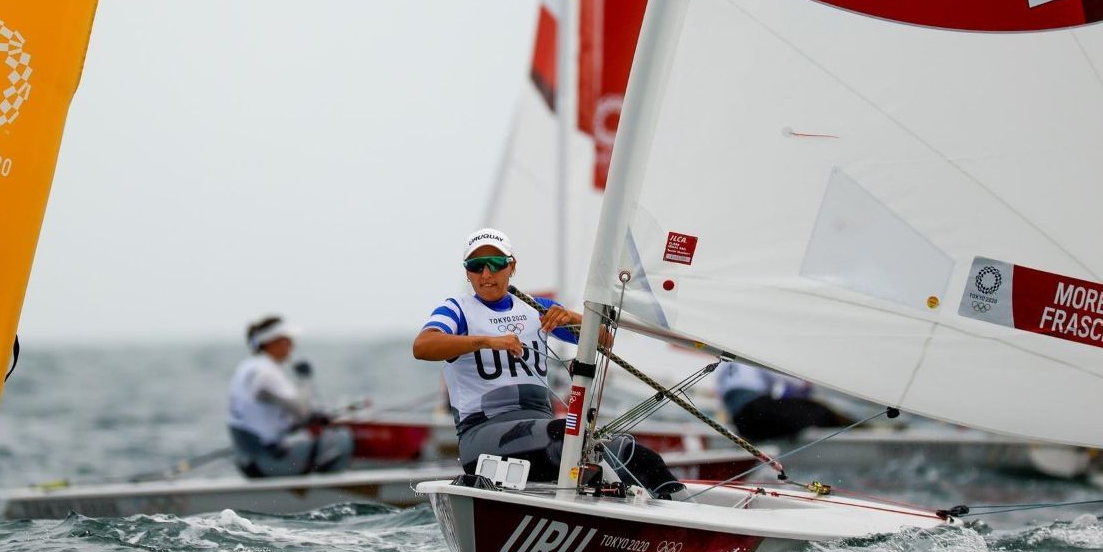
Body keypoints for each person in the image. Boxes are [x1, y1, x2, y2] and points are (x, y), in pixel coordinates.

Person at [412, 228, 685, 498]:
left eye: (495, 264)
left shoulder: (534, 307)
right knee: (567, 438)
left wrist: (573, 318)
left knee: (637, 455)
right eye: (476, 266)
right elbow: (422, 346)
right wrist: (487, 341)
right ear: (467, 272)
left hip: (544, 432)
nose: (485, 274)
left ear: (512, 266)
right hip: (483, 437)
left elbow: (604, 339)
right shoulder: (457, 310)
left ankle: (682, 511)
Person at [228, 316, 354, 477]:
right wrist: (305, 379)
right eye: (288, 340)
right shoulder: (266, 372)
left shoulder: (245, 367)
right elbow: (303, 412)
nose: (292, 346)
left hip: (249, 460)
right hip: (268, 463)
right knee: (342, 437)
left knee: (310, 439)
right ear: (273, 342)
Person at [716, 361, 856, 442]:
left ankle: (786, 434)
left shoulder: (723, 367)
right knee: (817, 411)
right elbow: (784, 379)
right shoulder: (750, 357)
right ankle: (854, 427)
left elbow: (722, 399)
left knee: (782, 417)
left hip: (742, 423)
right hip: (759, 410)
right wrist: (805, 386)